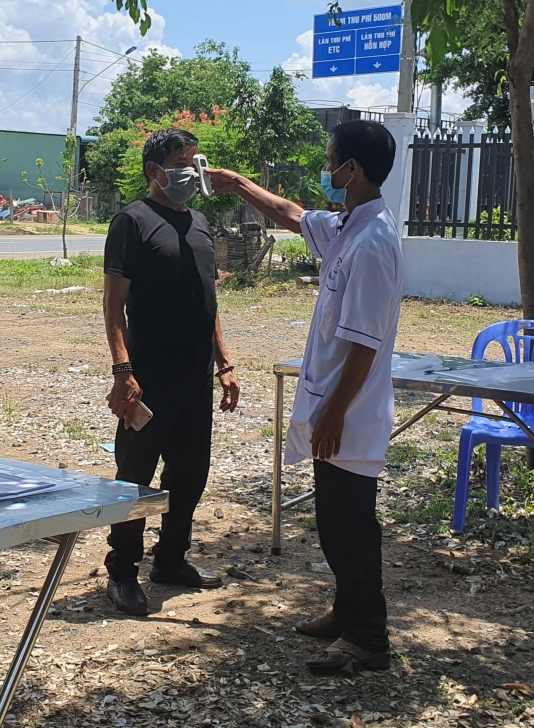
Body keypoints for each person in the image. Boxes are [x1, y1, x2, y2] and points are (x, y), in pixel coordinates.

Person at [207, 120, 402, 672]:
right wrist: (240, 183)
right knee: (334, 519)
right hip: (335, 407)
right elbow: (293, 216)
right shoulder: (349, 226)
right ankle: (346, 611)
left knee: (350, 527)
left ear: (352, 171)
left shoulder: (373, 243)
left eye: (331, 158)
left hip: (351, 413)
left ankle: (368, 639)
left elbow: (363, 346)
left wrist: (335, 413)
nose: (326, 165)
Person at [101, 127, 241, 616]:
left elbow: (210, 300)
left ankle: (171, 558)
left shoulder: (200, 223)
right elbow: (113, 305)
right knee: (135, 477)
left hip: (195, 376)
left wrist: (224, 363)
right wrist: (123, 370)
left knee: (190, 473)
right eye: (182, 160)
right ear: (153, 171)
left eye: (195, 159)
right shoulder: (132, 223)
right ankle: (122, 570)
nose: (192, 169)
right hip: (148, 378)